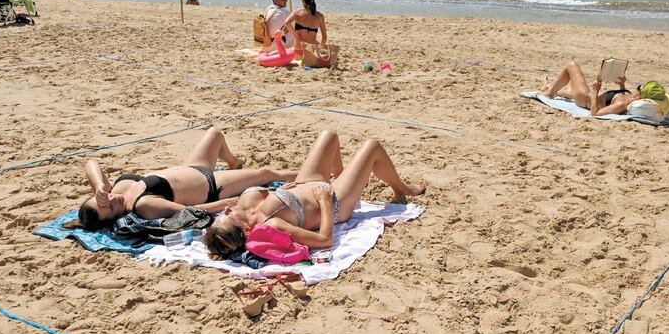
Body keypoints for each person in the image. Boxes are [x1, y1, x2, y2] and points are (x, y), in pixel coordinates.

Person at [204, 130, 426, 259]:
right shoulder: (271, 226)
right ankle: (401, 189)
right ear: (243, 229)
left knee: (329, 136)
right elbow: (325, 240)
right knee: (372, 146)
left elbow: (271, 192)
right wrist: (325, 203)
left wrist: (280, 191)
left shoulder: (243, 204)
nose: (226, 209)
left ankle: (345, 176)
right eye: (227, 216)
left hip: (306, 183)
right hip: (334, 201)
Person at [69, 127, 298, 231]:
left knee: (215, 134)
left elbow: (90, 164)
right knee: (268, 174)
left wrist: (100, 187)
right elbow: (192, 210)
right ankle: (314, 176)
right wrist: (231, 202)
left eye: (103, 199)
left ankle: (234, 162)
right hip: (212, 185)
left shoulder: (116, 190)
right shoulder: (144, 206)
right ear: (112, 218)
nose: (110, 199)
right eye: (108, 207)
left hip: (192, 167)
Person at [538, 60, 669, 117]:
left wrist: (595, 90)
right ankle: (548, 88)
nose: (638, 87)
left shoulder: (622, 104)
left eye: (640, 87)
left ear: (642, 94)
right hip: (587, 95)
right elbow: (620, 96)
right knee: (563, 91)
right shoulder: (631, 99)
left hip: (585, 98)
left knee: (571, 65)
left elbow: (595, 114)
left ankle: (548, 93)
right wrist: (622, 85)